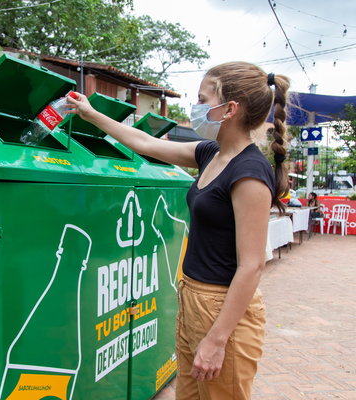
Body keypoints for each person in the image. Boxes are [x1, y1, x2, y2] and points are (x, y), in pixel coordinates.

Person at [66, 62, 289, 399]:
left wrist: (217, 339)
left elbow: (252, 265)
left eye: (202, 99)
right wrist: (91, 114)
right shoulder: (211, 154)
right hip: (193, 298)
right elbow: (145, 143)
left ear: (229, 109)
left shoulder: (249, 173)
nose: (195, 108)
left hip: (222, 309)